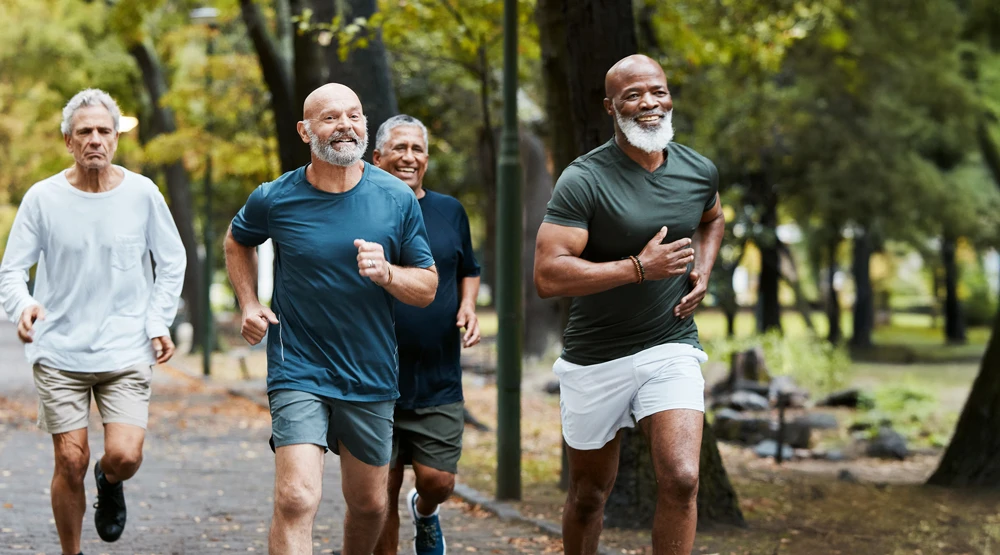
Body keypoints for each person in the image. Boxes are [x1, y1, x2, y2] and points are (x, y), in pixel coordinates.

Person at [224, 84, 438, 555]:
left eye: (355, 115)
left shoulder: (396, 198)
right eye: (330, 117)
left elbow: (427, 286)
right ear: (305, 131)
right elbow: (237, 240)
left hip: (370, 372)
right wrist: (248, 303)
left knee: (368, 505)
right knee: (297, 498)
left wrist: (387, 274)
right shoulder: (275, 198)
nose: (345, 125)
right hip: (298, 367)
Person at [532, 54, 725, 555]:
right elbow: (548, 275)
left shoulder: (697, 170)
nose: (648, 104)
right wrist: (638, 268)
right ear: (610, 106)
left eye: (657, 91)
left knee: (682, 478)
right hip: (595, 356)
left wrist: (703, 267)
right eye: (633, 95)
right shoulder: (584, 179)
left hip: (670, 343)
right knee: (589, 495)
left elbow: (712, 218)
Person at [0, 88, 186, 555]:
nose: (95, 140)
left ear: (116, 139)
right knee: (69, 459)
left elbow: (172, 260)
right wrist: (22, 307)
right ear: (68, 140)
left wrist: (158, 320)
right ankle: (72, 552)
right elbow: (12, 269)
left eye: (105, 131)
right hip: (59, 348)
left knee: (125, 455)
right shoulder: (43, 197)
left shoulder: (142, 194)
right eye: (85, 132)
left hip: (125, 348)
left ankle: (109, 479)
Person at [370, 115, 481, 555]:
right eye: (399, 148)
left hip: (437, 376)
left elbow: (469, 268)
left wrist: (468, 305)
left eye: (417, 149)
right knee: (381, 493)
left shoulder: (449, 210)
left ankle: (426, 510)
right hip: (374, 378)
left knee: (439, 481)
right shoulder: (359, 210)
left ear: (427, 159)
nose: (408, 157)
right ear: (376, 157)